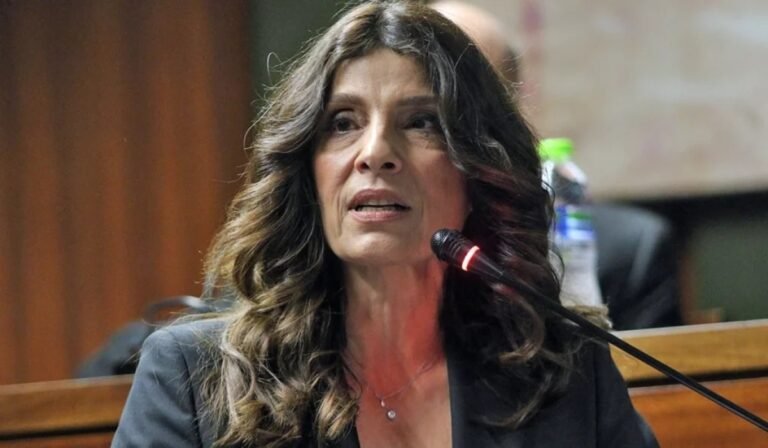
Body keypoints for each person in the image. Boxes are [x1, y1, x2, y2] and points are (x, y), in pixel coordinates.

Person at [113, 1, 657, 447]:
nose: (375, 153)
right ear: (308, 169)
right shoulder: (193, 376)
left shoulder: (566, 372)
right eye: (342, 123)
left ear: (479, 170)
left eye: (421, 122)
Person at [431, 0, 682, 331]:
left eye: (465, 101)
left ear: (512, 115)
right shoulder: (375, 255)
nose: (447, 126)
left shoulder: (630, 254)